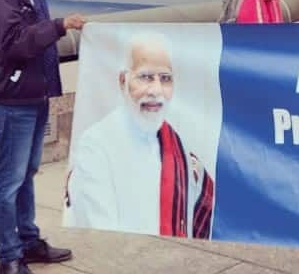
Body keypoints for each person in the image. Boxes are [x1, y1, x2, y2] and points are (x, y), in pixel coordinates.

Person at [0, 0, 86, 274]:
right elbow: (13, 44)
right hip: (14, 98)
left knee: (26, 173)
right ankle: (9, 257)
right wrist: (58, 26)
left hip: (35, 94)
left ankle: (28, 240)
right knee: (9, 180)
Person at [65, 31, 215, 237]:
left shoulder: (181, 150)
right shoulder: (96, 146)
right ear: (122, 81)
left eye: (165, 78)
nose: (156, 90)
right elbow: (101, 235)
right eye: (145, 77)